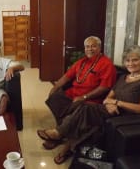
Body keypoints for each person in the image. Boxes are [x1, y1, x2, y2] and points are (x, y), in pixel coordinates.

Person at [37, 36, 117, 164]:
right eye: (87, 46)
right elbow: (66, 77)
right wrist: (55, 88)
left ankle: (61, 138)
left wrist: (84, 97)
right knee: (55, 98)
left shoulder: (107, 64)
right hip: (73, 94)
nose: (90, 49)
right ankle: (61, 133)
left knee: (78, 110)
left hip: (90, 100)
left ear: (99, 47)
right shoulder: (82, 62)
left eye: (93, 46)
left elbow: (104, 87)